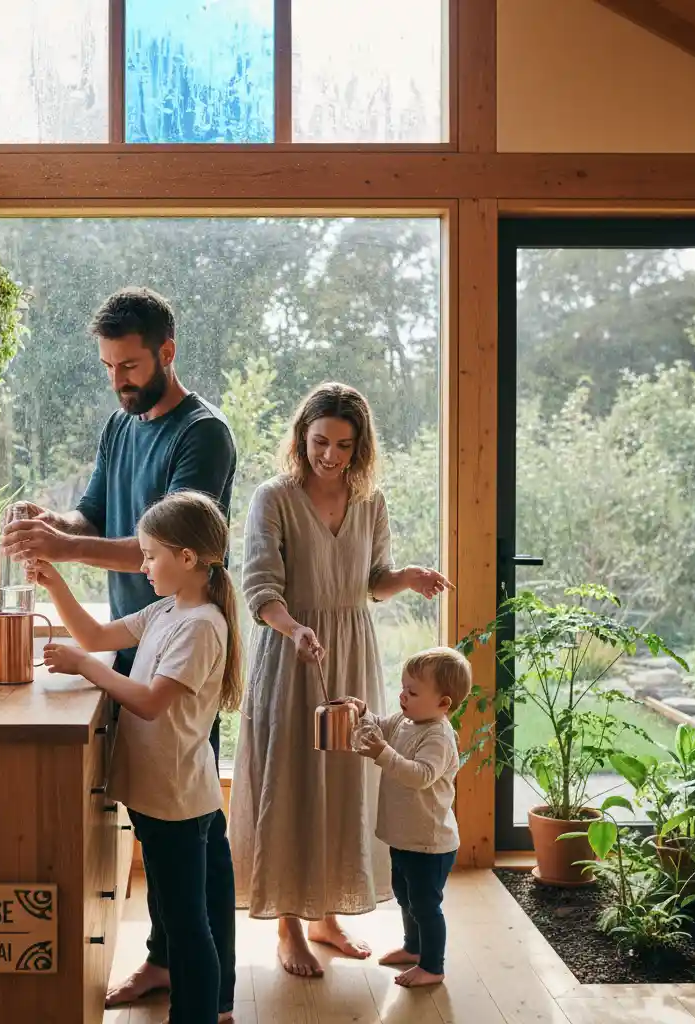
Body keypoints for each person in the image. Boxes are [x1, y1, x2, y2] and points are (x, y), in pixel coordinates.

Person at [0, 287, 237, 1012]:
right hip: (142, 632)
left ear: (168, 351)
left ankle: (211, 983)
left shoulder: (204, 433)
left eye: (130, 365)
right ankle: (174, 966)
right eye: (108, 366)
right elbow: (95, 513)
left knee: (196, 832)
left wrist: (66, 548)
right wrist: (54, 523)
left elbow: (159, 543)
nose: (119, 381)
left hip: (176, 652)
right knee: (170, 834)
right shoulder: (121, 423)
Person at [228, 381, 452, 978]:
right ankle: (289, 928)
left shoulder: (370, 501)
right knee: (294, 782)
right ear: (302, 435)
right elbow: (260, 591)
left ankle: (327, 917)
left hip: (350, 651)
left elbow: (373, 580)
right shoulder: (273, 498)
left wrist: (408, 577)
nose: (330, 455)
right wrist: (295, 630)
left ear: (360, 447)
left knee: (345, 783)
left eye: (344, 445)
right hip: (291, 652)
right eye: (321, 441)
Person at [28, 491, 241, 1024]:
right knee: (178, 915)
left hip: (176, 799)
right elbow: (97, 635)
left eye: (150, 555)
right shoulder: (169, 609)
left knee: (188, 923)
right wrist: (56, 584)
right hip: (159, 793)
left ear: (186, 558)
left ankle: (199, 1015)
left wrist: (84, 666)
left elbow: (148, 702)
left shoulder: (200, 626)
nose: (142, 565)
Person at [346, 646, 472, 988]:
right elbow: (382, 727)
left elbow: (421, 775)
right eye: (403, 687)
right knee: (405, 896)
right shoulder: (407, 720)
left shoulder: (438, 736)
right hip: (405, 838)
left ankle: (433, 966)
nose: (403, 695)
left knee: (426, 906)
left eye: (413, 692)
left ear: (443, 703)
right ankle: (414, 948)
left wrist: (383, 754)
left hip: (430, 843)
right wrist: (363, 714)